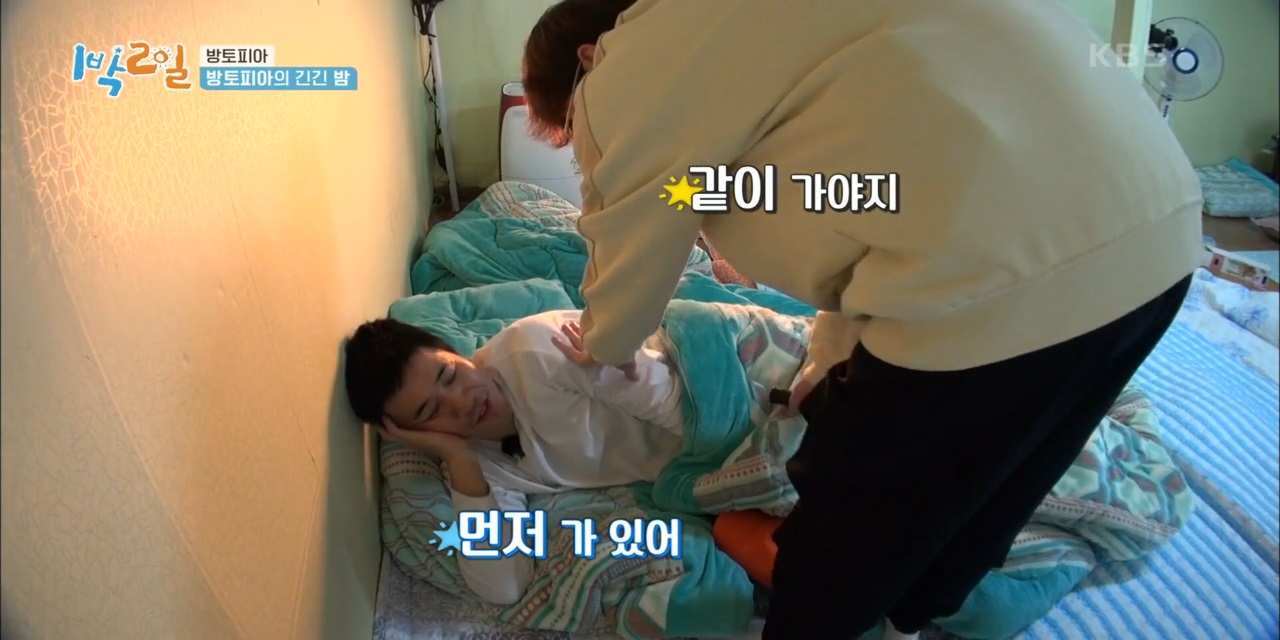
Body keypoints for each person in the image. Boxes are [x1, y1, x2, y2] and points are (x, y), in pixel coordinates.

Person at [521, 1, 1203, 638]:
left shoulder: (631, 60)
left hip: (994, 278)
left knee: (845, 540)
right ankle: (916, 608)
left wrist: (604, 338)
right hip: (1157, 232)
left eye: (575, 132)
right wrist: (827, 358)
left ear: (588, 58)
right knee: (990, 493)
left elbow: (630, 225)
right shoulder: (745, 39)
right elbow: (868, 208)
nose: (587, 151)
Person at [343, 309, 684, 605]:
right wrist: (459, 459)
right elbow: (504, 586)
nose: (462, 402)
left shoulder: (539, 350)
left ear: (453, 351)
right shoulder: (478, 465)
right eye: (432, 412)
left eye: (450, 375)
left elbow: (681, 405)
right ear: (419, 435)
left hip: (696, 384)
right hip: (689, 462)